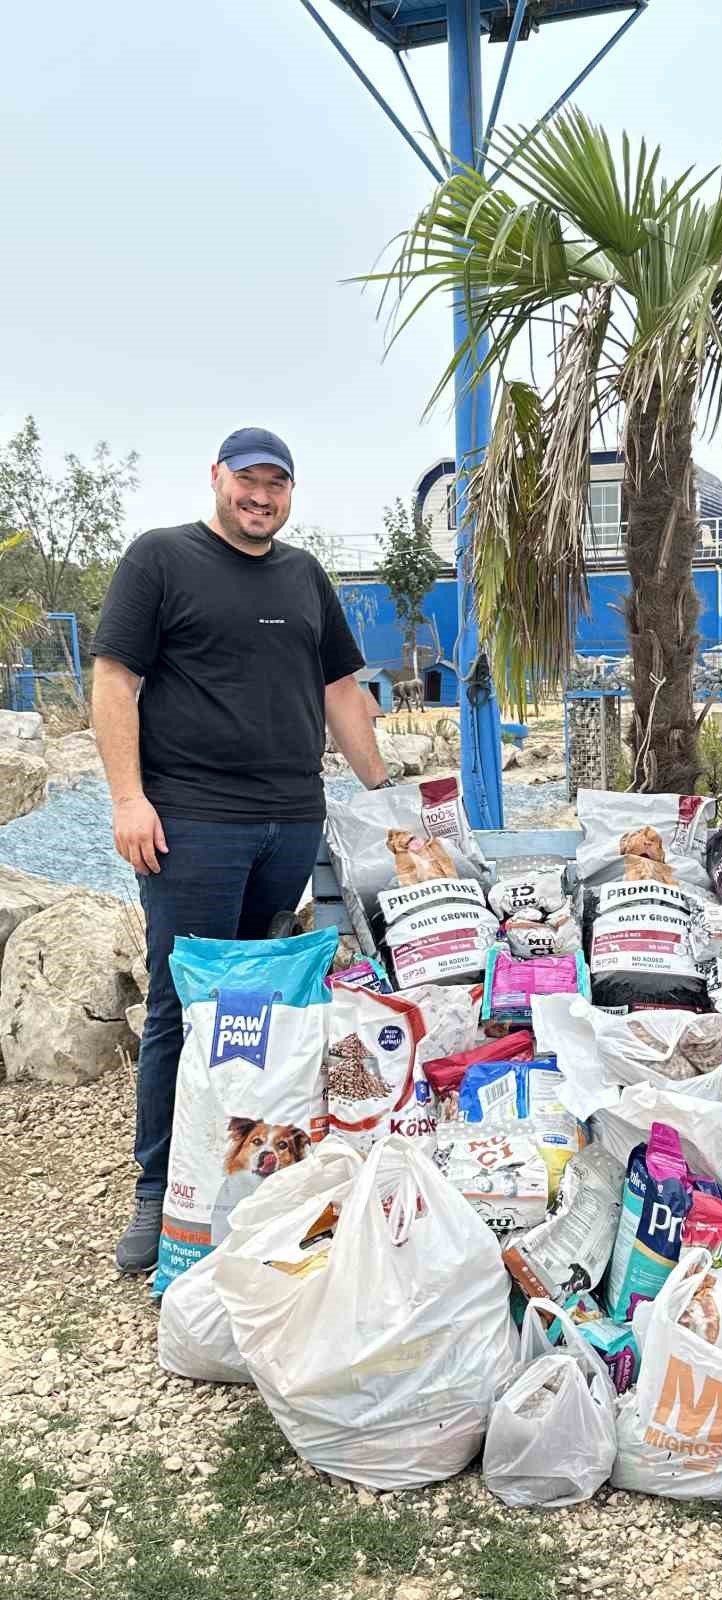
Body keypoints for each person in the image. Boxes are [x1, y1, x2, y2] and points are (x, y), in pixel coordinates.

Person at [92, 427, 392, 1273]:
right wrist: (127, 799)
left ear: (291, 494)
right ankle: (159, 1191)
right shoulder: (160, 559)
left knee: (265, 1009)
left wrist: (384, 791)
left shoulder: (303, 576)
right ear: (217, 478)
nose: (262, 497)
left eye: (278, 485)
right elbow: (115, 679)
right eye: (248, 481)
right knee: (181, 1008)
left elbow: (338, 686)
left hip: (288, 823)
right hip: (191, 825)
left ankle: (237, 1176)